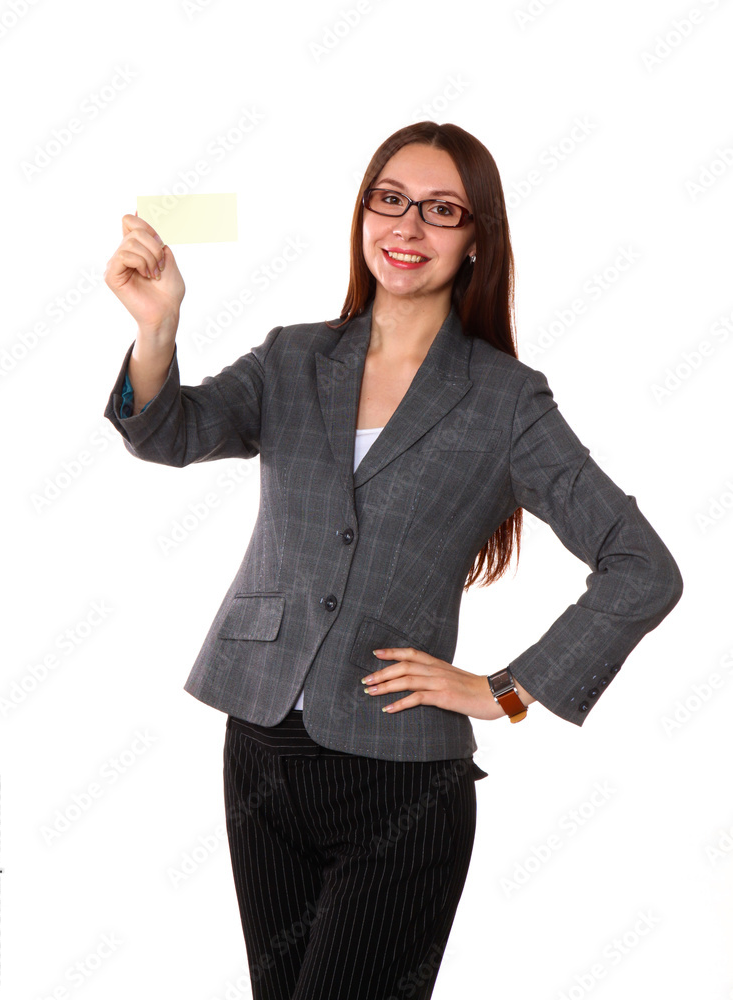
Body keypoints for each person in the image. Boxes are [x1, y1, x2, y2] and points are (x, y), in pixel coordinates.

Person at [102, 121, 683, 1000]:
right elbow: (170, 431)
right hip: (258, 749)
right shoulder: (294, 357)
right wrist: (158, 327)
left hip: (399, 780)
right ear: (363, 214)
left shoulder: (505, 401)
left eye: (441, 211)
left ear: (477, 237)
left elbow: (642, 565)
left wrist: (504, 690)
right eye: (391, 200)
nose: (408, 228)